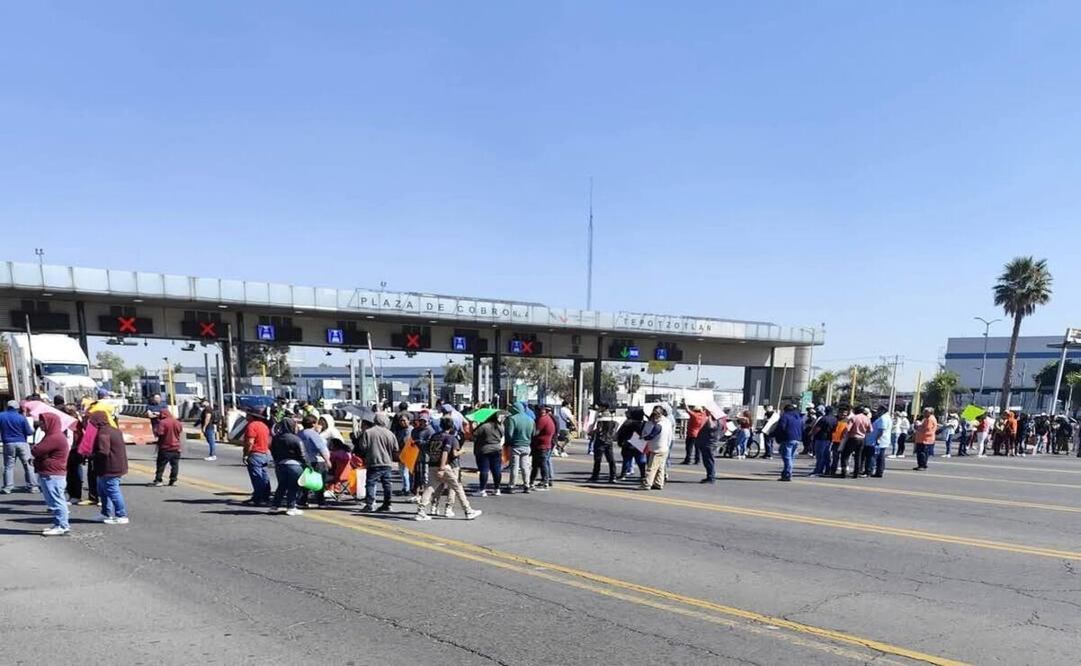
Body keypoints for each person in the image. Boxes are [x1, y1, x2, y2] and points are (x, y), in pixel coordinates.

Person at [415, 416, 481, 521]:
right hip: (443, 466)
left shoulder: (434, 436)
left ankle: (421, 511)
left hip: (432, 464)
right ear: (451, 427)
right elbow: (445, 452)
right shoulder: (449, 438)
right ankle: (468, 510)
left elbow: (428, 449)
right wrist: (442, 468)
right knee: (457, 487)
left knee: (430, 488)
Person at [32, 412, 71, 536]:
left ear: (51, 423)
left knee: (57, 501)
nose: (41, 424)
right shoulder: (51, 436)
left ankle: (62, 525)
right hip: (51, 473)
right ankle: (58, 523)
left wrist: (39, 452)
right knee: (54, 501)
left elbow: (36, 450)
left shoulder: (54, 437)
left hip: (53, 474)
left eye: (43, 422)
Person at [354, 412, 399, 512]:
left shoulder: (368, 432)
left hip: (373, 462)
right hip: (387, 462)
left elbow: (363, 447)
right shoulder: (390, 433)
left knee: (370, 483)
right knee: (386, 484)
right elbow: (395, 448)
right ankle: (387, 504)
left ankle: (369, 504)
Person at [91, 411, 129, 525]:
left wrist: (91, 455)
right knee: (103, 490)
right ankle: (105, 513)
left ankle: (121, 515)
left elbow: (103, 451)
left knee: (112, 491)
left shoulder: (103, 433)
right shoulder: (114, 430)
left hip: (110, 467)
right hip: (114, 465)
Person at [269, 417, 307, 516]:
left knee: (281, 486)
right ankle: (291, 507)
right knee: (294, 486)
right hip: (294, 465)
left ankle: (274, 506)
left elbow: (273, 452)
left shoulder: (276, 438)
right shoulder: (296, 439)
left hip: (280, 465)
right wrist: (308, 466)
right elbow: (303, 455)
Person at [1, 400, 37, 494]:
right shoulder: (21, 418)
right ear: (17, 408)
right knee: (28, 465)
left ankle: (7, 487)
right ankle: (32, 487)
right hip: (22, 442)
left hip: (8, 443)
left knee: (8, 466)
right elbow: (29, 432)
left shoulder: (1, 416)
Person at [298, 415, 331, 508]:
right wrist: (327, 460)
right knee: (319, 482)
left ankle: (302, 500)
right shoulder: (313, 434)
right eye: (316, 423)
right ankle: (321, 502)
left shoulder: (300, 433)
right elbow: (321, 448)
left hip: (305, 460)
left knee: (306, 481)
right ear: (313, 424)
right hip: (316, 460)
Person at [242, 409, 273, 507]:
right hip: (264, 453)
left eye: (248, 415)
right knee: (264, 476)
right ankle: (265, 496)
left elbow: (250, 442)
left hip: (255, 453)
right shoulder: (264, 426)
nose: (246, 416)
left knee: (257, 477)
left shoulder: (252, 426)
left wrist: (246, 454)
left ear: (252, 416)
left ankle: (258, 498)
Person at [504, 401, 534, 494]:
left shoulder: (512, 419)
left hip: (516, 445)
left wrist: (508, 443)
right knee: (525, 467)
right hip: (526, 445)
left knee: (514, 467)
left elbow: (509, 434)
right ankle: (527, 485)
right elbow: (533, 433)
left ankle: (512, 485)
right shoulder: (530, 419)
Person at [641, 406, 673, 490]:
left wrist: (643, 437)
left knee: (651, 467)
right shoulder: (667, 422)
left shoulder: (658, 425)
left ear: (658, 414)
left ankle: (647, 484)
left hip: (657, 449)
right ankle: (659, 483)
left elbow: (651, 436)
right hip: (665, 448)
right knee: (660, 467)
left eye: (654, 414)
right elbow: (670, 436)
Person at [472, 411, 504, 497]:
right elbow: (502, 436)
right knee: (496, 469)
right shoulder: (499, 426)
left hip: (485, 449)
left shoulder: (484, 426)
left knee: (484, 470)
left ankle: (482, 489)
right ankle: (497, 489)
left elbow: (474, 435)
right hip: (497, 449)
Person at [151, 408, 184, 487]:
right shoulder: (177, 422)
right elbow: (180, 432)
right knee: (175, 465)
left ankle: (158, 480)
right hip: (176, 448)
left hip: (165, 447)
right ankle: (173, 480)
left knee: (161, 465)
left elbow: (159, 433)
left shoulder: (162, 423)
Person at [588, 404, 619, 483]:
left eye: (600, 407)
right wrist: (612, 434)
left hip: (600, 439)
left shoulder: (601, 416)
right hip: (609, 440)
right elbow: (616, 425)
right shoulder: (612, 416)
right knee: (611, 459)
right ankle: (613, 476)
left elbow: (599, 428)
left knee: (598, 460)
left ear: (604, 407)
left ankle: (595, 476)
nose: (599, 408)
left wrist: (592, 432)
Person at [837, 406, 871, 478]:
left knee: (845, 455)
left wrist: (843, 436)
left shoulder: (854, 418)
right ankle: (856, 473)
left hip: (853, 438)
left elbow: (847, 428)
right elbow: (870, 430)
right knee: (858, 456)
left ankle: (844, 472)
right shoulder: (867, 418)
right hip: (862, 439)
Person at [774, 404, 803, 482]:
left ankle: (787, 474)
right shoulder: (798, 417)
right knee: (791, 457)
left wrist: (776, 436)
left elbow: (781, 428)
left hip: (787, 439)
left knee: (787, 457)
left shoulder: (785, 416)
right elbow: (802, 428)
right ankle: (786, 473)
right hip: (797, 439)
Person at [530, 405, 557, 490]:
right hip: (546, 444)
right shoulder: (548, 418)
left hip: (542, 445)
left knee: (541, 464)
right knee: (541, 464)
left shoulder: (542, 420)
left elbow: (536, 432)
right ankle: (535, 481)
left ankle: (544, 481)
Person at [617, 407, 646, 481]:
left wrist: (620, 442)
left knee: (626, 460)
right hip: (638, 442)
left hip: (628, 442)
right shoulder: (643, 424)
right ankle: (643, 475)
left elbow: (621, 433)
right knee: (640, 461)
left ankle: (623, 475)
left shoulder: (628, 423)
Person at [810, 406, 837, 477]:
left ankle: (818, 470)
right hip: (829, 438)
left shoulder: (823, 418)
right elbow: (834, 430)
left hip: (821, 438)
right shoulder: (834, 419)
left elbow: (817, 428)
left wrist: (812, 434)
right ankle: (827, 470)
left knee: (820, 456)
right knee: (827, 455)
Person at [695, 410, 721, 484]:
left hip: (709, 444)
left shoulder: (716, 421)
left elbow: (711, 426)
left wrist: (709, 416)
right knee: (707, 461)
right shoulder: (716, 421)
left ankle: (711, 477)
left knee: (709, 461)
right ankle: (709, 476)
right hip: (707, 443)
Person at [391, 412, 413, 496]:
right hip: (400, 453)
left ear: (408, 421)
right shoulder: (400, 430)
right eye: (400, 421)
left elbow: (407, 441)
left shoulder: (411, 429)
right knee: (401, 471)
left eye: (404, 420)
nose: (402, 422)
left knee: (405, 472)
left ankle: (407, 489)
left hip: (408, 452)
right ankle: (405, 487)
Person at [868, 407, 892, 477]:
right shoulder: (886, 417)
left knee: (875, 456)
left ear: (882, 410)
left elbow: (881, 430)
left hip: (880, 441)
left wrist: (877, 439)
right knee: (880, 457)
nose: (877, 412)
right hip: (883, 440)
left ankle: (872, 470)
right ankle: (879, 471)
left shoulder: (883, 418)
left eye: (878, 410)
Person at [829, 407, 850, 475]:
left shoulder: (848, 421)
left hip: (844, 442)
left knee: (844, 458)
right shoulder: (835, 419)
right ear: (838, 413)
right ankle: (833, 470)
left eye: (845, 414)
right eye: (841, 413)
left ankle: (843, 471)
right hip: (835, 441)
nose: (843, 415)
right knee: (835, 457)